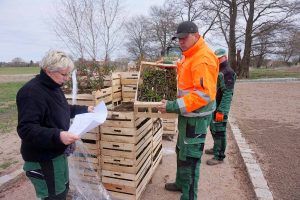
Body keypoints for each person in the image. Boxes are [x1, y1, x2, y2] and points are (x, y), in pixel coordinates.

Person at [16, 50, 94, 200]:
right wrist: (58, 135)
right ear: (48, 70)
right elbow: (26, 129)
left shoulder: (54, 87)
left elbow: (63, 110)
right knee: (53, 196)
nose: (66, 79)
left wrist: (85, 109)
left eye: (67, 74)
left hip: (57, 153)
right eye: (63, 74)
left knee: (62, 190)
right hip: (43, 158)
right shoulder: (31, 92)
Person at [157, 21, 219, 200]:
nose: (181, 42)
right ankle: (181, 183)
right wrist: (169, 65)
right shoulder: (189, 54)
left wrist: (172, 106)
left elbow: (202, 96)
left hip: (196, 118)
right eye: (179, 38)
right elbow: (184, 68)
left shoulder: (203, 59)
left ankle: (189, 196)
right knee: (181, 150)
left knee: (190, 159)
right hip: (188, 115)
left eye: (184, 38)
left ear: (196, 35)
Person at [205, 48, 237, 165]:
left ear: (225, 57)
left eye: (220, 58)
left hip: (220, 108)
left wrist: (222, 111)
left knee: (219, 131)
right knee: (213, 128)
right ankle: (215, 148)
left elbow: (228, 94)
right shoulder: (219, 69)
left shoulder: (227, 72)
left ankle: (219, 156)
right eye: (216, 58)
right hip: (214, 105)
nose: (218, 60)